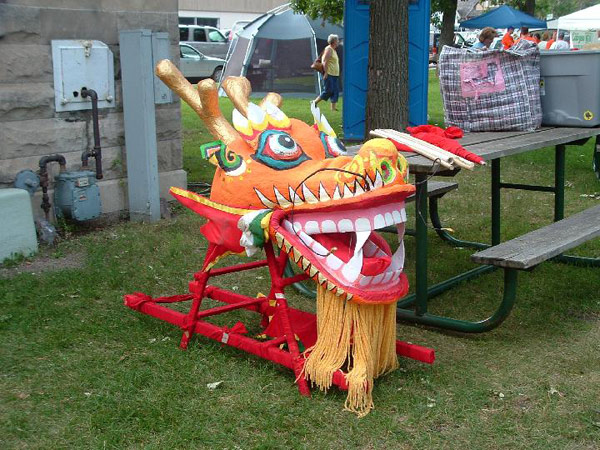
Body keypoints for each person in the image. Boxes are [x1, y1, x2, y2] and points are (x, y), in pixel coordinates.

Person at [313, 34, 341, 111]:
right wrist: (325, 72)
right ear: (334, 41)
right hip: (329, 74)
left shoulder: (333, 50)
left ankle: (333, 108)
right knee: (328, 91)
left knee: (335, 91)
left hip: (334, 74)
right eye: (337, 40)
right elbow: (324, 61)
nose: (338, 42)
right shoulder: (329, 49)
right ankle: (314, 102)